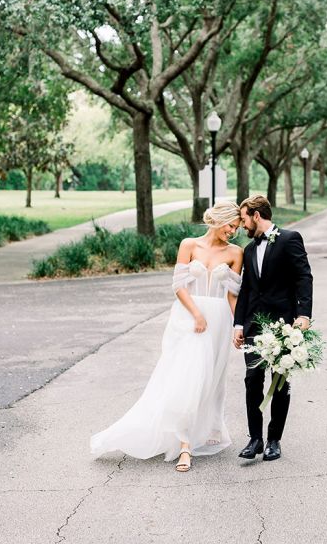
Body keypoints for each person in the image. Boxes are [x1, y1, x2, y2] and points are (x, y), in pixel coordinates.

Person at [91, 201, 243, 473]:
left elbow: (232, 294)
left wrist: (237, 326)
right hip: (189, 318)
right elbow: (178, 286)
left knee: (212, 377)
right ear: (219, 220)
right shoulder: (189, 245)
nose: (234, 231)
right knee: (187, 377)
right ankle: (184, 445)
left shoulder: (236, 252)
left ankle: (209, 428)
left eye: (237, 227)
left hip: (219, 319)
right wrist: (196, 314)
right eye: (231, 225)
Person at [233, 194, 313, 462]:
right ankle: (254, 438)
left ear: (257, 215)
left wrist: (303, 314)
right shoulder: (248, 250)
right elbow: (246, 290)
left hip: (283, 323)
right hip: (253, 324)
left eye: (244, 219)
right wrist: (237, 324)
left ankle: (274, 440)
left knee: (280, 383)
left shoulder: (290, 239)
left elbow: (304, 277)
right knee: (252, 380)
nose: (242, 226)